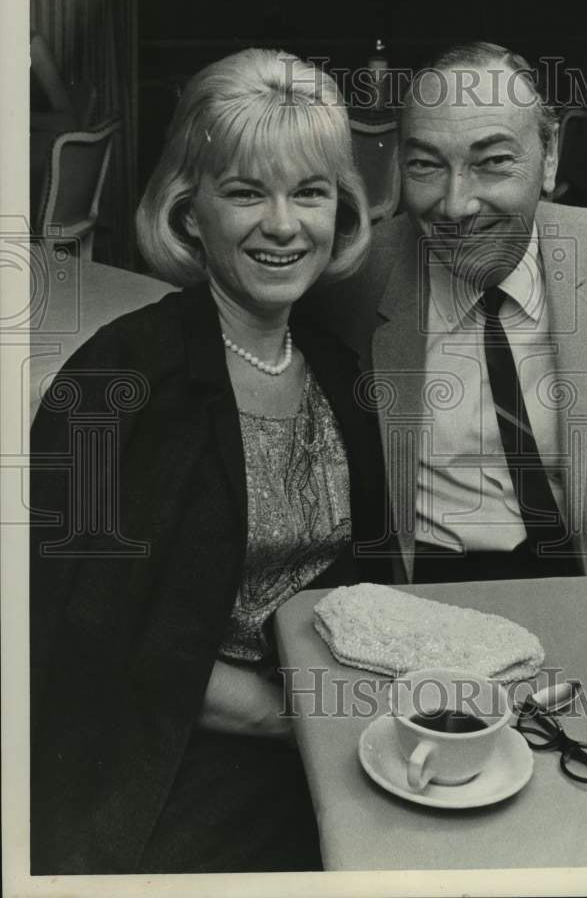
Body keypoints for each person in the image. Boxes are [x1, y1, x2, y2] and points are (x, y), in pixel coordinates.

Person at [30, 48, 393, 875]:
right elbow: (82, 642)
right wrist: (291, 717)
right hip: (166, 764)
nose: (282, 224)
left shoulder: (338, 368)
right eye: (244, 191)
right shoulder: (112, 379)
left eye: (309, 191)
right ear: (189, 211)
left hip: (324, 732)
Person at [303, 42, 587, 583]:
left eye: (494, 162)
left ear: (548, 159)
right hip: (424, 592)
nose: (456, 204)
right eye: (426, 165)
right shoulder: (350, 276)